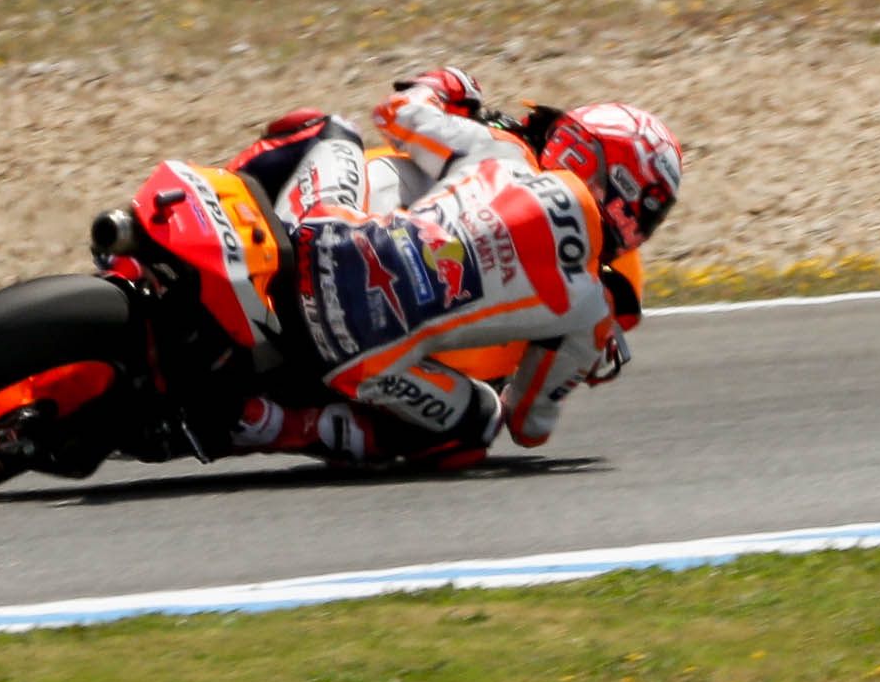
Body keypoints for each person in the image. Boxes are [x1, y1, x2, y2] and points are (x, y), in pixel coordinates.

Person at [222, 69, 682, 471]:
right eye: (643, 214)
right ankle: (280, 424)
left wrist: (441, 84)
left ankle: (223, 204)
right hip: (359, 361)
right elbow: (529, 425)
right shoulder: (589, 305)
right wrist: (578, 363)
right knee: (479, 425)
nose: (636, 226)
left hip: (316, 245)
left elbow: (396, 113)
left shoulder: (502, 150)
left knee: (329, 130)